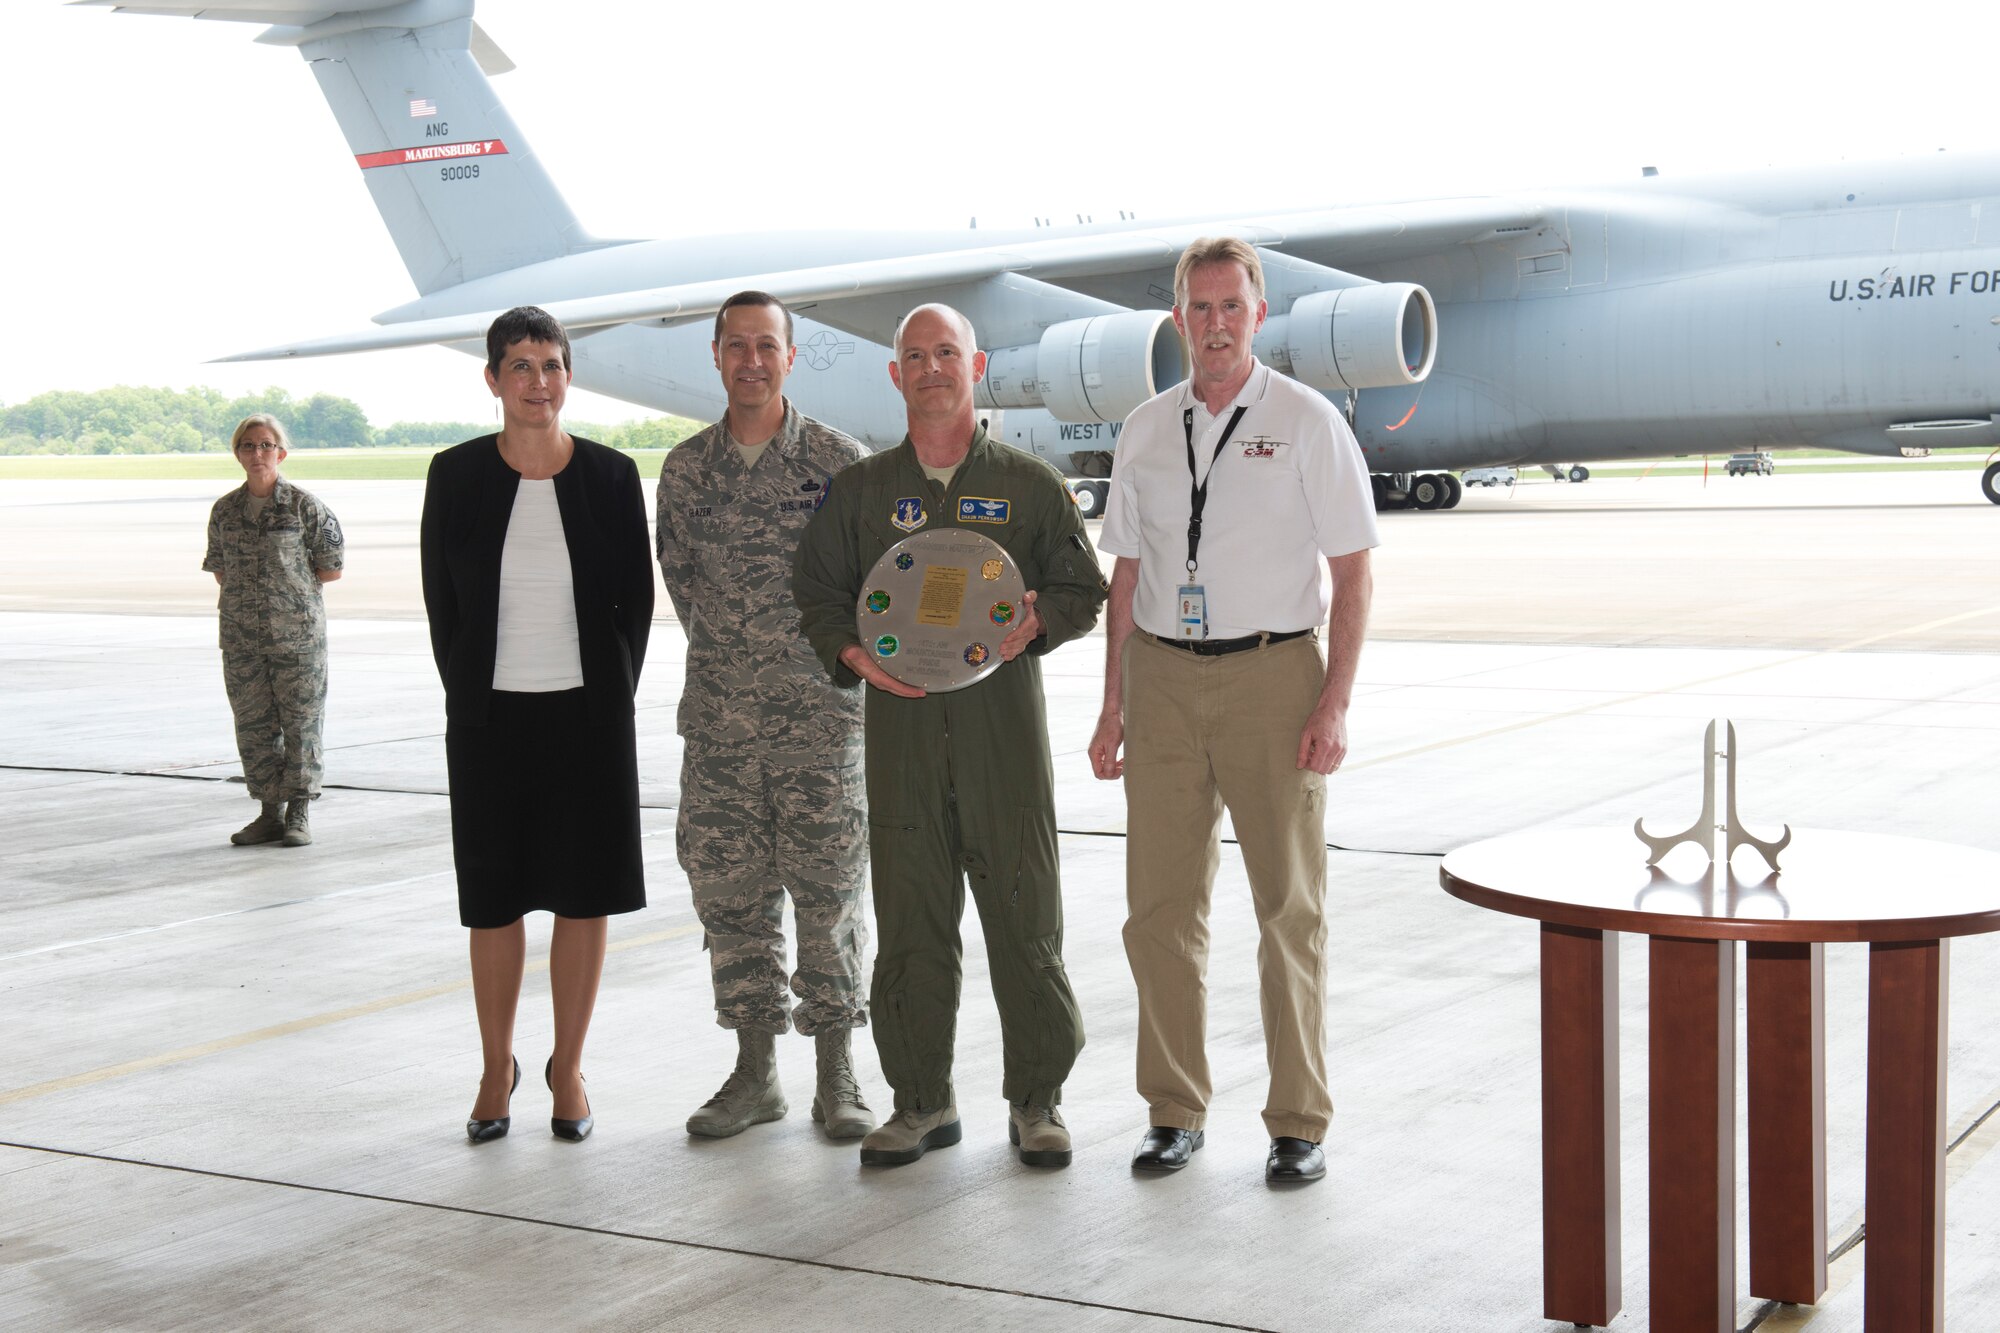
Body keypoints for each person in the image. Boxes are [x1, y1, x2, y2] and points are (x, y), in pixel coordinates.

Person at [1088, 238, 1377, 1184]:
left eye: (1231, 307)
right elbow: (1126, 573)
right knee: (1159, 910)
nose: (1214, 324)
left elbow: (1353, 567)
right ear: (1177, 319)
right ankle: (1173, 1109)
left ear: (1258, 314)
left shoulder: (1305, 421)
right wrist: (1113, 703)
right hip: (1163, 679)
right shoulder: (1143, 429)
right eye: (1198, 308)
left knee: (1288, 907)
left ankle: (1299, 1119)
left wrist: (1333, 699)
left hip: (1272, 676)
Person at [794, 304, 1106, 1168]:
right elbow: (817, 588)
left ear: (975, 369)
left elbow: (1084, 587)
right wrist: (851, 650)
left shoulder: (1029, 485)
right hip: (899, 744)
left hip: (1001, 740)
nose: (932, 369)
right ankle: (923, 1101)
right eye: (915, 357)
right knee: (912, 924)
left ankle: (1037, 1100)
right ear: (895, 375)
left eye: (947, 354)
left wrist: (1041, 620)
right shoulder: (861, 492)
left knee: (1024, 917)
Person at [420, 306, 655, 1145]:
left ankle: (568, 1066)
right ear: (492, 380)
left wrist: (609, 696)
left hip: (587, 719)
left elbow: (636, 601)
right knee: (494, 900)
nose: (537, 382)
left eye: (551, 365)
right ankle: (496, 1065)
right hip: (490, 722)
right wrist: (472, 701)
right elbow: (442, 607)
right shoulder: (453, 476)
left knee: (582, 895)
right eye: (519, 366)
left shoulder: (611, 475)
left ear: (567, 376)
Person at [655, 291, 876, 1142]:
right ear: (715, 356)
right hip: (718, 729)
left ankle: (837, 1072)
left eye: (767, 346)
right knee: (730, 897)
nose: (751, 360)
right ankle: (755, 1073)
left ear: (791, 355)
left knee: (829, 899)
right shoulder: (685, 470)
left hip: (820, 726)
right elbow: (684, 585)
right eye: (736, 345)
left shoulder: (837, 463)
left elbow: (867, 593)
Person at [203, 414, 344, 848]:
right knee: (253, 726)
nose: (257, 453)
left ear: (280, 453)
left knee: (301, 725)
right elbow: (220, 569)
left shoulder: (304, 506)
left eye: (265, 445)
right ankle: (269, 813)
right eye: (248, 446)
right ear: (238, 454)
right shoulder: (225, 510)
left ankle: (299, 811)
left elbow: (330, 569)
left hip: (297, 639)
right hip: (243, 640)